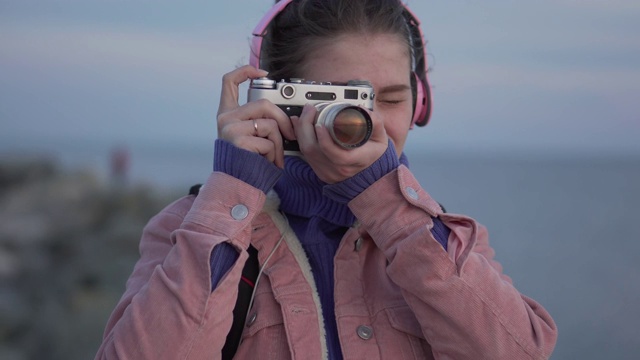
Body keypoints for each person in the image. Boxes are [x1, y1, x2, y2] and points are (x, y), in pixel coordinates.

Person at [95, 0, 558, 359]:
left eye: (391, 99)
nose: (369, 123)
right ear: (278, 99)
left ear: (420, 104)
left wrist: (390, 207)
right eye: (345, 100)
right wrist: (232, 193)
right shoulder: (189, 227)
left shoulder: (438, 240)